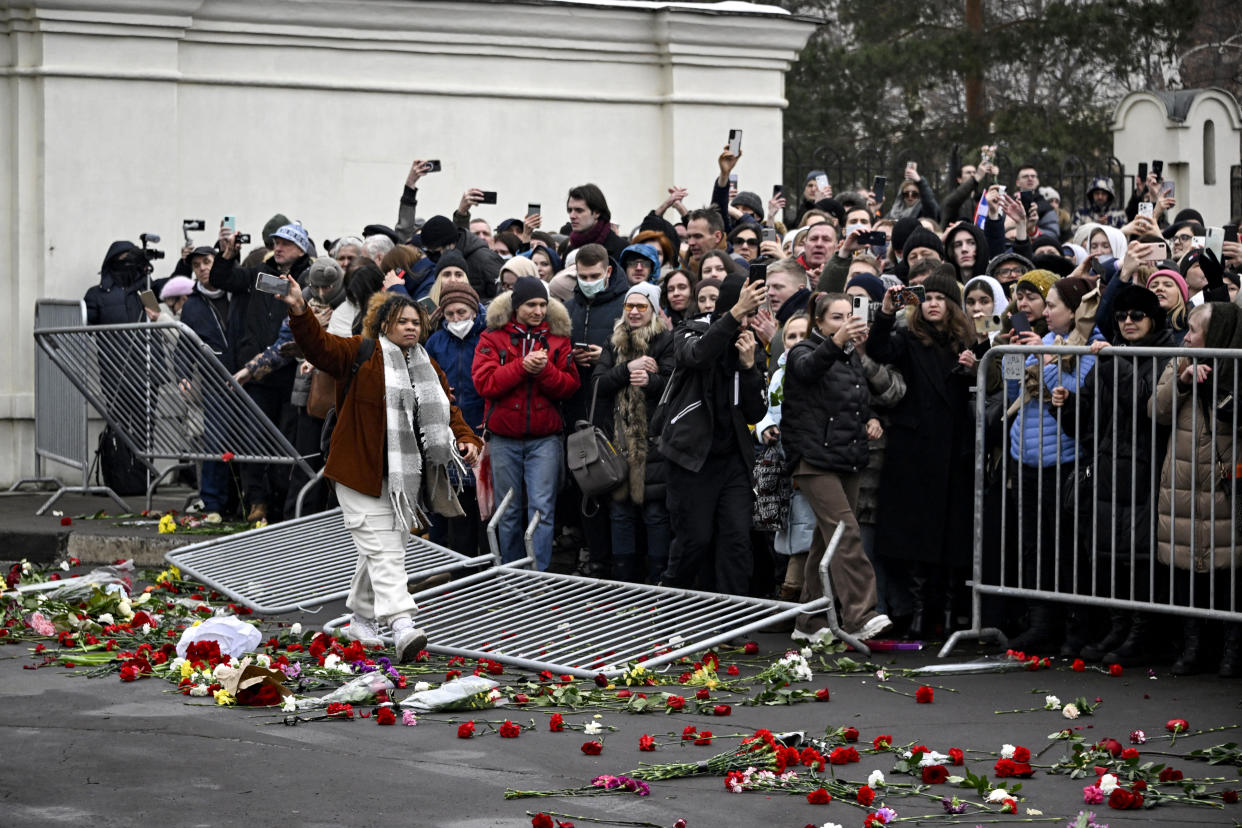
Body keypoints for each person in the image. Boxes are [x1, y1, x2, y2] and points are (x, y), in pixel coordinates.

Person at [283, 281, 481, 663]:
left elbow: (445, 409)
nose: (411, 327)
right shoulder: (361, 351)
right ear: (383, 323)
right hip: (357, 471)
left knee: (383, 550)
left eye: (416, 322)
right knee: (385, 550)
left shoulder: (426, 363)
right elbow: (318, 346)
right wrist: (298, 309)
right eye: (402, 321)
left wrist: (465, 438)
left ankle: (360, 618)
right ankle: (402, 623)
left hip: (401, 479)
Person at [1054, 284, 1172, 666]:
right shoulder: (1112, 357)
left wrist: (1116, 362)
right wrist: (1067, 406)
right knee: (1110, 554)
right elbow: (1088, 421)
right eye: (1121, 316)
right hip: (1108, 468)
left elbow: (1145, 406)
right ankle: (1118, 627)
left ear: (1152, 318)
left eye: (1136, 315)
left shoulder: (1164, 354)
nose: (1128, 322)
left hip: (1146, 466)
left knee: (1139, 556)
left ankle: (1140, 633)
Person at [867, 269, 976, 639]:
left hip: (953, 452)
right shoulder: (906, 338)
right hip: (914, 451)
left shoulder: (966, 343)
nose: (932, 303)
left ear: (951, 305)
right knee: (914, 536)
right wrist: (884, 313)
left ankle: (943, 612)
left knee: (950, 537)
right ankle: (915, 613)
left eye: (940, 298)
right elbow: (879, 349)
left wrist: (973, 371)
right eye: (926, 297)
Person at [781, 292, 892, 643]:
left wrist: (871, 419)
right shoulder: (804, 350)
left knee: (825, 543)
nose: (846, 323)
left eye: (850, 316)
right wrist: (838, 342)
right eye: (836, 318)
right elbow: (807, 370)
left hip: (848, 458)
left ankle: (809, 621)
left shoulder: (850, 358)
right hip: (814, 460)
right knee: (845, 532)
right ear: (819, 322)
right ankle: (860, 614)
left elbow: (854, 401)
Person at [1003, 276, 1104, 654]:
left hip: (1063, 459)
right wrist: (1012, 357)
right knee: (1033, 545)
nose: (1044, 312)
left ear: (1074, 310)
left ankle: (1076, 626)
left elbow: (1073, 395)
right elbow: (1015, 394)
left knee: (1068, 548)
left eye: (1052, 306)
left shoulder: (1089, 345)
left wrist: (1045, 361)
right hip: (1024, 457)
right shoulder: (1039, 342)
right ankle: (1040, 622)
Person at [658, 274, 768, 596]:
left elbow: (756, 412)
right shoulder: (690, 329)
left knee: (736, 538)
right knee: (695, 539)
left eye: (752, 314)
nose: (747, 322)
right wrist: (734, 316)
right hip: (691, 456)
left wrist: (749, 368)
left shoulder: (748, 342)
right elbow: (697, 355)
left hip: (732, 459)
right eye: (744, 312)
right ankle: (669, 605)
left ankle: (732, 618)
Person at [1149, 302, 1242, 676]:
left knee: (1228, 568)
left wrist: (1220, 384)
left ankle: (1231, 650)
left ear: (1216, 335)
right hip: (1185, 481)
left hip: (1224, 479)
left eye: (1195, 330)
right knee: (1189, 567)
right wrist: (1184, 382)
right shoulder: (1179, 362)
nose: (1186, 337)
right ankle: (1192, 647)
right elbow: (1156, 410)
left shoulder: (1236, 364)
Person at [473, 276, 580, 569]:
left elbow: (570, 387)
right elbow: (485, 384)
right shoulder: (491, 338)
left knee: (542, 509)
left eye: (543, 305)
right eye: (531, 304)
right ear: (516, 306)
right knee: (508, 510)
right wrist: (521, 366)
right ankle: (511, 573)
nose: (538, 311)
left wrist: (544, 371)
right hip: (504, 438)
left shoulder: (558, 339)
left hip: (545, 439)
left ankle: (539, 575)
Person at [211, 221, 314, 524]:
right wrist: (227, 254)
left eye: (285, 243)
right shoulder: (262, 274)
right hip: (256, 374)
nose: (277, 248)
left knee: (287, 442)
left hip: (293, 374)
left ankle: (283, 505)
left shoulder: (309, 278)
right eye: (275, 242)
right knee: (254, 439)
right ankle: (257, 502)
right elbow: (222, 278)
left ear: (300, 248)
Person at [591, 282, 675, 582]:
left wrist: (650, 381)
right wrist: (628, 370)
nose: (635, 312)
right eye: (630, 306)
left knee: (655, 514)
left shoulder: (666, 340)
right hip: (617, 442)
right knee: (620, 513)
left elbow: (673, 386)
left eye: (642, 306)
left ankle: (658, 581)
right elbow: (598, 385)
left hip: (653, 440)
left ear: (653, 309)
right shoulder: (613, 342)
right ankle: (623, 580)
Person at [424, 281, 489, 556]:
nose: (456, 320)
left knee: (485, 503)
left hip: (482, 427)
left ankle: (488, 564)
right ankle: (462, 566)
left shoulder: (486, 337)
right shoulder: (436, 342)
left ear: (473, 311)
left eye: (462, 313)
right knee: (458, 500)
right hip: (449, 429)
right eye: (450, 315)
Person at [418, 214, 505, 300]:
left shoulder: (484, 259)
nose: (433, 258)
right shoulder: (446, 259)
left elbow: (504, 296)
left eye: (435, 252)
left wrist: (471, 305)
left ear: (450, 246)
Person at [565, 183, 627, 260]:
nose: (572, 216)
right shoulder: (569, 251)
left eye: (579, 210)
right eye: (570, 210)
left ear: (597, 213)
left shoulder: (622, 249)